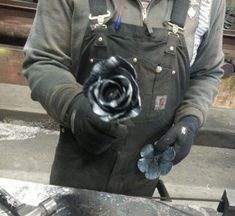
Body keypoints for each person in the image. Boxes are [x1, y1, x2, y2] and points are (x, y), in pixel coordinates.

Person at [22, 0, 225, 197]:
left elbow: (206, 72)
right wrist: (73, 105)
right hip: (76, 170)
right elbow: (44, 59)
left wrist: (191, 117)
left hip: (142, 179)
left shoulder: (208, 4)